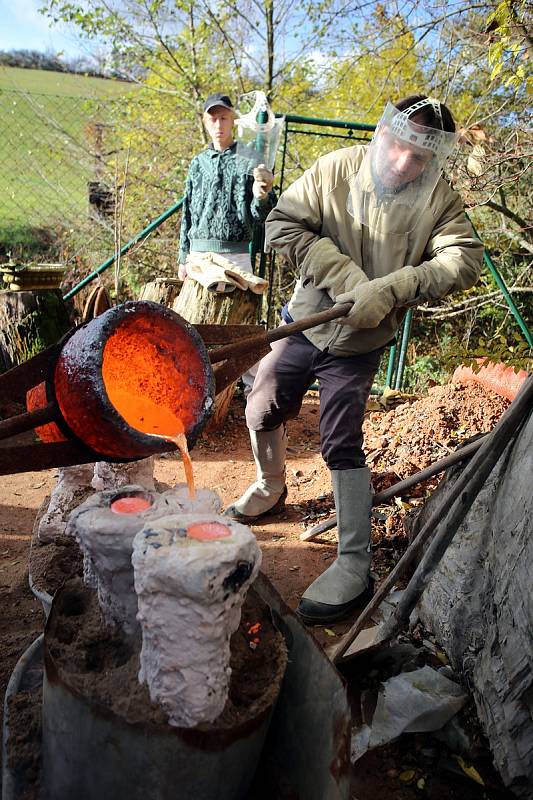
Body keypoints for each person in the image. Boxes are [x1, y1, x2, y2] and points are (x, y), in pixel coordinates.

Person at [224, 95, 484, 625]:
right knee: (261, 404)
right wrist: (346, 279)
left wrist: (395, 287)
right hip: (307, 320)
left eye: (418, 157)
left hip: (360, 344)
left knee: (341, 441)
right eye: (398, 146)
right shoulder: (334, 169)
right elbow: (281, 224)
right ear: (383, 135)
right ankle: (271, 486)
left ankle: (353, 562)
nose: (402, 162)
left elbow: (464, 258)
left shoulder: (439, 200)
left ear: (433, 161)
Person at [178, 91, 276, 288]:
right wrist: (182, 258)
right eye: (213, 119)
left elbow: (263, 216)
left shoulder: (251, 159)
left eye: (223, 118)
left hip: (236, 257)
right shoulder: (198, 163)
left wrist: (262, 196)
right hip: (198, 257)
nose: (218, 124)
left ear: (233, 121)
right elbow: (187, 212)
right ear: (206, 123)